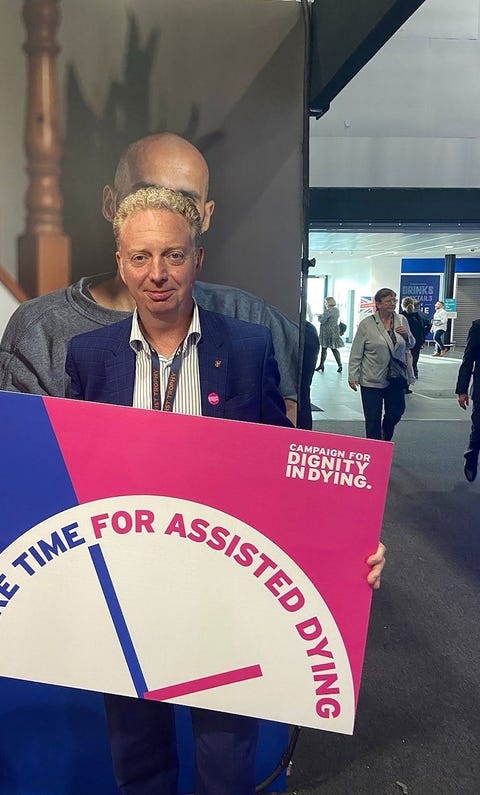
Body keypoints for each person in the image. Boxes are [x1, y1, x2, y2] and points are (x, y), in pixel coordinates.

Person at [62, 185, 385, 795]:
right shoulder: (89, 357)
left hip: (224, 598)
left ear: (199, 260)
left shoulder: (247, 349)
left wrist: (348, 549)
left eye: (174, 256)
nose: (157, 275)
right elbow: (62, 478)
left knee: (224, 772)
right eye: (140, 258)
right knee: (140, 769)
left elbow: (290, 473)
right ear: (120, 261)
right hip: (126, 600)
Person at [0, 132, 300, 424]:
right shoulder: (42, 330)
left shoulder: (249, 318)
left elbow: (287, 450)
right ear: (111, 205)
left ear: (205, 215)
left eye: (185, 202)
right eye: (146, 195)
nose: (162, 214)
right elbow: (12, 455)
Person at [348, 288, 415, 441]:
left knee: (396, 412)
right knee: (372, 418)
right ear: (378, 304)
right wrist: (353, 375)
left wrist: (406, 335)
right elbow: (356, 352)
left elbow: (411, 344)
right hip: (371, 377)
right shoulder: (367, 324)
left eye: (394, 300)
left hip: (395, 377)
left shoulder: (401, 320)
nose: (392, 304)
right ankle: (374, 450)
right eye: (388, 301)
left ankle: (385, 435)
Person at [455, 318, 480, 482]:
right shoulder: (478, 327)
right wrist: (462, 390)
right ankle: (471, 456)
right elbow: (468, 360)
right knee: (478, 429)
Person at [315, 296, 344, 373]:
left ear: (328, 302)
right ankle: (340, 365)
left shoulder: (328, 311)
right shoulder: (336, 310)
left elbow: (322, 320)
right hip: (334, 332)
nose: (325, 304)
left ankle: (321, 365)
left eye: (325, 302)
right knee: (334, 349)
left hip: (327, 333)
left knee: (324, 349)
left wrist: (319, 316)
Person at [400, 297, 427, 379]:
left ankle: (407, 376)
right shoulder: (418, 316)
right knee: (414, 359)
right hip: (417, 341)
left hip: (405, 342)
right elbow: (424, 328)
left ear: (402, 305)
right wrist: (422, 340)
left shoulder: (401, 317)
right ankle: (414, 372)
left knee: (405, 360)